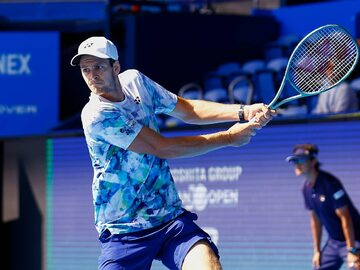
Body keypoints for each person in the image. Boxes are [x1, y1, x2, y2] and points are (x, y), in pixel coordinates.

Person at [70, 36, 275, 270]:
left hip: (169, 219)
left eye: (98, 66)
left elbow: (189, 110)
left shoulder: (136, 82)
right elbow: (162, 147)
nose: (92, 75)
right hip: (124, 230)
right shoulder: (96, 115)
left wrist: (244, 111)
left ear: (116, 67)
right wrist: (228, 138)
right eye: (86, 69)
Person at [286, 144, 360, 270]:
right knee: (318, 266)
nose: (297, 164)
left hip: (355, 239)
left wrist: (352, 250)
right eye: (295, 161)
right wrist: (317, 251)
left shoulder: (331, 184)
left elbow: (345, 218)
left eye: (301, 160)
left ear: (313, 161)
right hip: (334, 242)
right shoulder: (306, 189)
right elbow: (315, 220)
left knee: (355, 267)